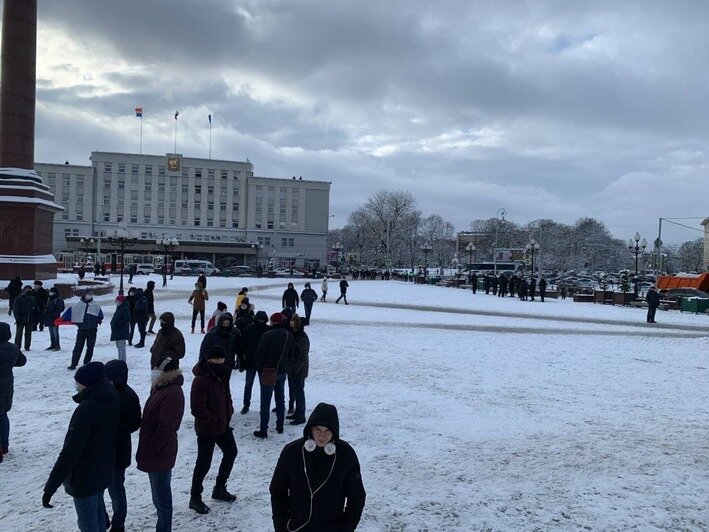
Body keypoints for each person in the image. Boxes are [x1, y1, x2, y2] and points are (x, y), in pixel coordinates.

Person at [42, 362, 120, 532]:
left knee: (88, 523)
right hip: (102, 471)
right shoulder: (111, 398)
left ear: (87, 384)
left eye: (78, 382)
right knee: (98, 516)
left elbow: (70, 454)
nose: (76, 386)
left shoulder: (86, 410)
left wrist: (50, 488)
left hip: (85, 478)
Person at [270, 403, 366, 531]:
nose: (322, 436)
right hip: (296, 527)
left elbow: (357, 496)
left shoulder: (346, 455)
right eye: (318, 430)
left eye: (327, 431)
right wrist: (281, 525)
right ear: (310, 429)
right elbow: (277, 490)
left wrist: (346, 529)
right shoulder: (292, 452)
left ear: (334, 432)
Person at [136, 356, 184, 532]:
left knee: (162, 497)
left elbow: (166, 427)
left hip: (160, 453)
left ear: (166, 372)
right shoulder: (161, 388)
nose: (153, 371)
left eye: (157, 368)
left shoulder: (171, 393)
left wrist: (150, 449)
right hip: (156, 452)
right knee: (159, 496)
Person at [189, 345, 238, 514]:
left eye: (221, 359)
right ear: (208, 360)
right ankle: (195, 497)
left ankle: (219, 488)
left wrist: (229, 410)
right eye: (216, 359)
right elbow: (197, 408)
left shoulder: (222, 374)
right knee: (203, 463)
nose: (219, 362)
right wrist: (215, 419)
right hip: (207, 428)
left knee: (231, 452)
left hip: (222, 425)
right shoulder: (200, 380)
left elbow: (226, 395)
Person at [104, 359, 142, 532]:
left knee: (116, 490)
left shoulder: (129, 396)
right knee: (97, 488)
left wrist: (116, 430)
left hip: (118, 452)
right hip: (101, 452)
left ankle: (118, 523)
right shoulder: (103, 392)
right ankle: (102, 517)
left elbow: (135, 422)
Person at [253, 312, 294, 439]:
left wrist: (259, 369)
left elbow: (260, 354)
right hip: (281, 372)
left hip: (267, 371)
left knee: (265, 401)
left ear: (271, 322)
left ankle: (263, 429)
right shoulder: (289, 335)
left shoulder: (268, 335)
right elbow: (291, 355)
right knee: (280, 399)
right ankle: (280, 426)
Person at [0, 322, 27, 464]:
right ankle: (4, 445)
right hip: (6, 386)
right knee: (3, 415)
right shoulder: (13, 348)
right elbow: (22, 361)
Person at [63, 290, 104, 370]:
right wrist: (78, 324)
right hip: (82, 330)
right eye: (88, 294)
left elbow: (100, 315)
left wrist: (98, 320)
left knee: (90, 347)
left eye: (91, 294)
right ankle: (73, 364)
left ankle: (87, 363)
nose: (89, 296)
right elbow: (70, 314)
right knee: (78, 347)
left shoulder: (95, 305)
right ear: (84, 295)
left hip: (92, 329)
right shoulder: (79, 305)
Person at [240, 311, 269, 415]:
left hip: (263, 363)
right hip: (251, 361)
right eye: (259, 320)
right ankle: (246, 405)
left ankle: (263, 405)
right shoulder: (248, 329)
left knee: (263, 385)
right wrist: (247, 352)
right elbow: (242, 343)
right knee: (248, 384)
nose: (260, 322)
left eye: (262, 320)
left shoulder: (268, 330)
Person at [286, 314, 309, 425]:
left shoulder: (302, 338)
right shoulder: (295, 335)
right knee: (296, 392)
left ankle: (301, 415)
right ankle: (297, 412)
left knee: (299, 393)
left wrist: (294, 370)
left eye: (292, 322)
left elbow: (302, 357)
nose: (290, 324)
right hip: (293, 369)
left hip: (298, 371)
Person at [12, 285, 37, 351]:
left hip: (30, 319)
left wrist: (35, 318)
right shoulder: (19, 298)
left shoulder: (33, 298)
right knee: (19, 334)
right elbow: (15, 310)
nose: (29, 291)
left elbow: (36, 309)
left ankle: (27, 346)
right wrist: (17, 318)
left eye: (30, 290)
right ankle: (17, 346)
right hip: (21, 319)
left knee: (28, 333)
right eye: (28, 290)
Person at [110, 295, 131, 362]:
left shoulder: (124, 309)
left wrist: (117, 323)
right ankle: (120, 360)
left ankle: (122, 361)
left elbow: (126, 319)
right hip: (118, 331)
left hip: (121, 331)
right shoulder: (119, 308)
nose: (116, 302)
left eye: (117, 301)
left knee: (121, 347)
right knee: (119, 347)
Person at [43, 286, 65, 351]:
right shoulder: (49, 298)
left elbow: (60, 308)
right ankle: (52, 345)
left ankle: (57, 345)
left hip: (55, 318)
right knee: (51, 332)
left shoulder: (58, 299)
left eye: (51, 292)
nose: (50, 293)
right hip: (49, 318)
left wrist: (53, 315)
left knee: (55, 332)